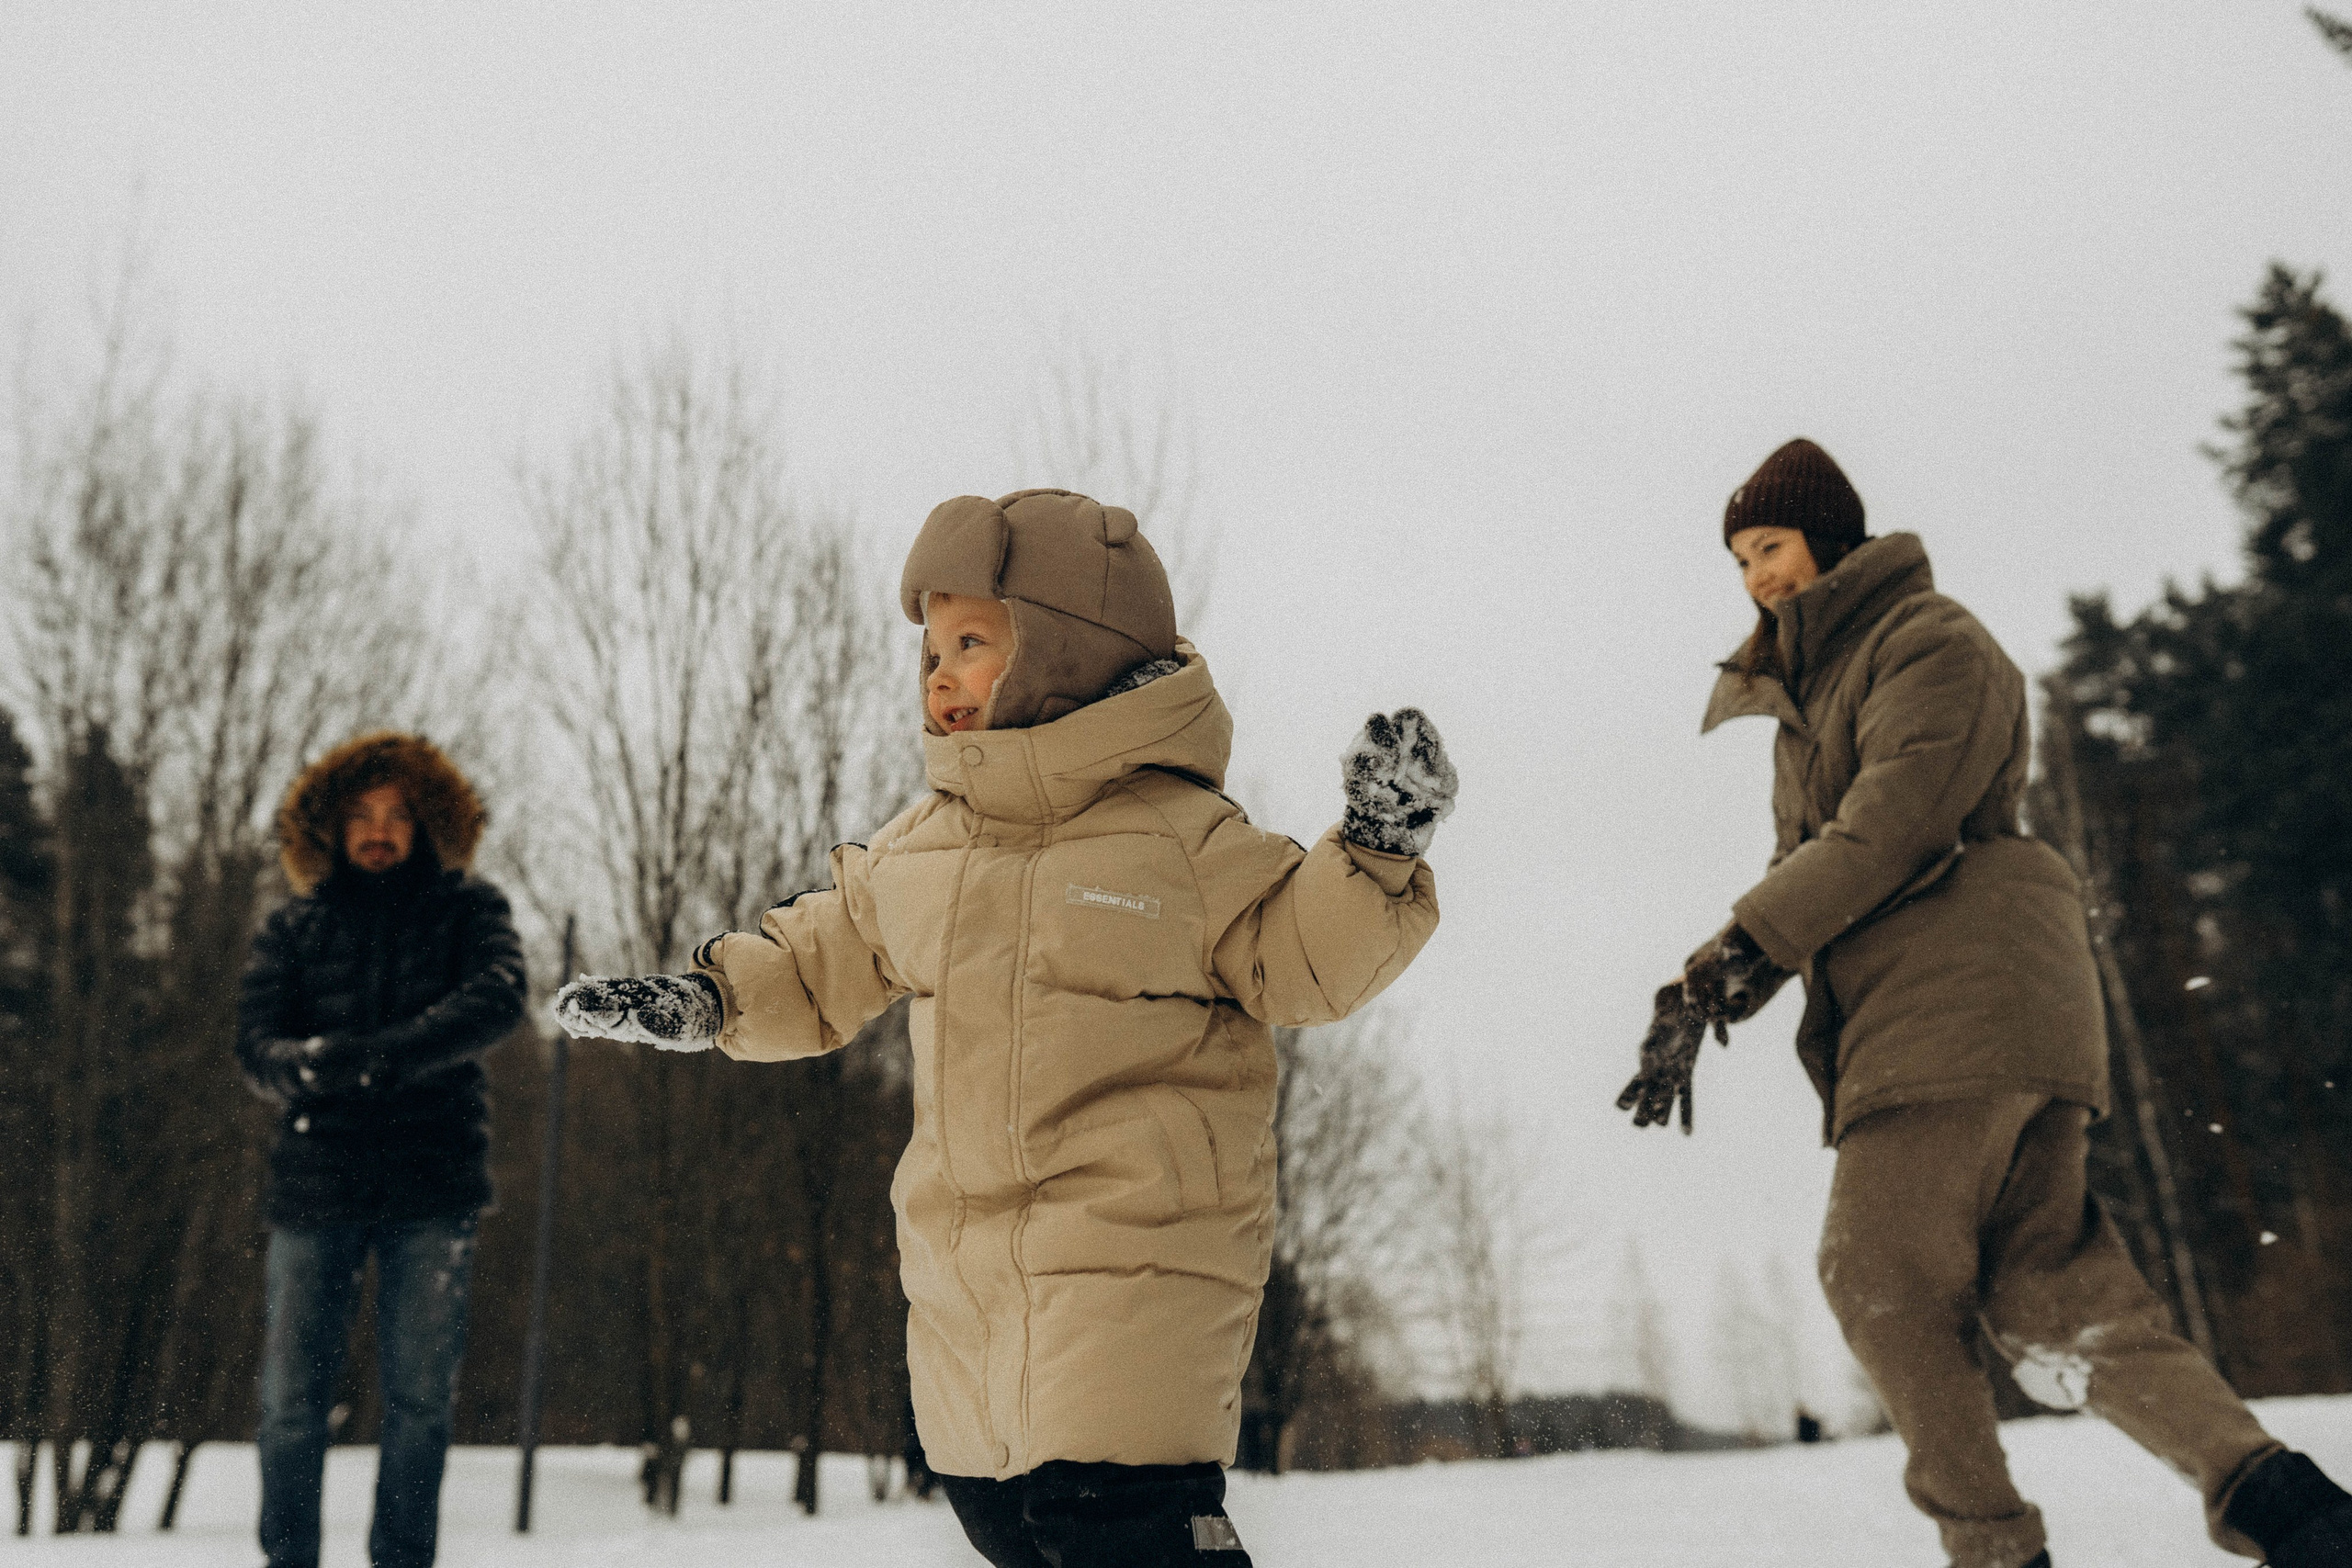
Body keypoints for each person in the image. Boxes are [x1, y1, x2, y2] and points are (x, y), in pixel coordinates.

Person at [555, 488, 1453, 1566]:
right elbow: (822, 957)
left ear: (1070, 649)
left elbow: (1303, 952)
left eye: (973, 642)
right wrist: (710, 1000)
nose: (939, 671)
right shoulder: (923, 852)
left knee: (1111, 1523)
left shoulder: (1178, 840)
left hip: (1136, 1261)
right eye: (932, 649)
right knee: (1005, 1521)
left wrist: (1374, 847)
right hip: (962, 1272)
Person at [1619, 437, 2352, 1568]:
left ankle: (1992, 1550)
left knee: (1874, 1271)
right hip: (1963, 1014)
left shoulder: (1928, 641)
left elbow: (1891, 828)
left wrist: (1718, 967)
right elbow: (1807, 871)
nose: (1757, 576)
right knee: (2049, 1295)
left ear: (1830, 535)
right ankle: (2288, 1508)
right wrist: (1717, 998)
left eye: (1770, 545)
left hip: (1958, 1005)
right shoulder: (1807, 707)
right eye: (1739, 560)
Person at [236, 732, 526, 1568]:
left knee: (420, 1401)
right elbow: (256, 1044)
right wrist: (311, 1062)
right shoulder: (293, 927)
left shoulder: (470, 909)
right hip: (313, 1184)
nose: (379, 830)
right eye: (361, 814)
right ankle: (286, 1558)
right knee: (291, 1401)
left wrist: (391, 1053)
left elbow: (502, 995)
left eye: (398, 814)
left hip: (433, 1183)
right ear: (328, 827)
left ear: (429, 823)